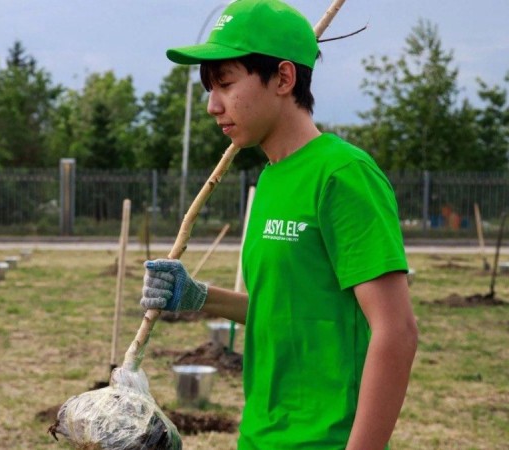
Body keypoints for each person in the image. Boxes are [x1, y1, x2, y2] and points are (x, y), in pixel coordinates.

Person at [140, 0, 418, 448]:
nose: (213, 106)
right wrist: (197, 295)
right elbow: (282, 311)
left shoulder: (342, 175)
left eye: (226, 84)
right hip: (259, 435)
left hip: (324, 439)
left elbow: (397, 332)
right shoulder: (270, 178)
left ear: (284, 79)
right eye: (210, 89)